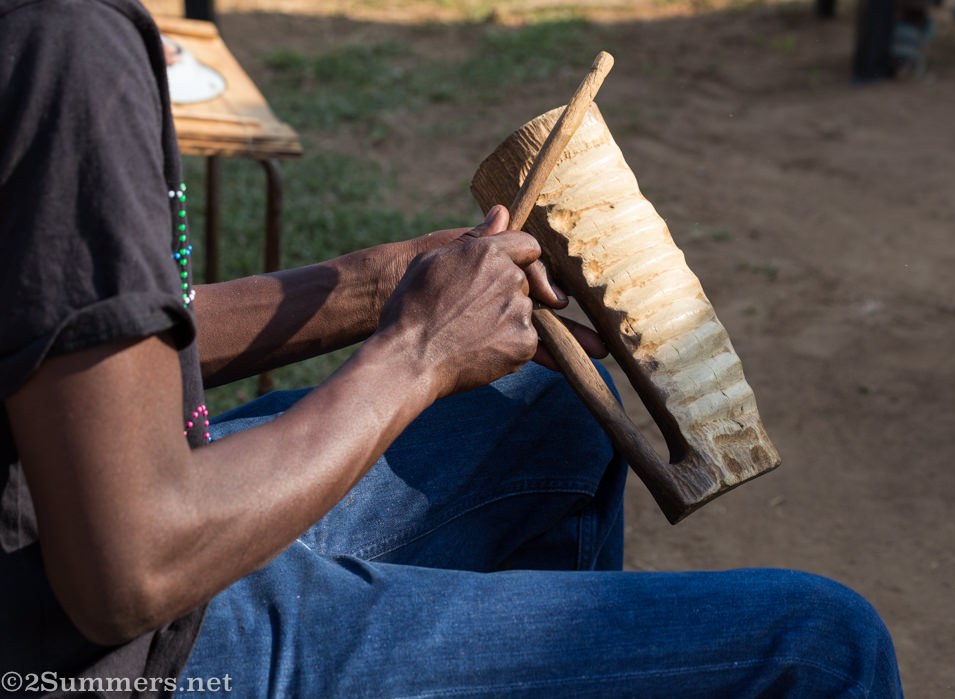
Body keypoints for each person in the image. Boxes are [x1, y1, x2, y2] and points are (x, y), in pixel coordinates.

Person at [0, 1, 905, 696]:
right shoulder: (63, 44)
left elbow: (67, 323)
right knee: (825, 646)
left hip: (82, 532)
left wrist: (380, 283)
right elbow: (131, 573)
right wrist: (418, 350)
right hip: (118, 651)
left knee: (545, 406)